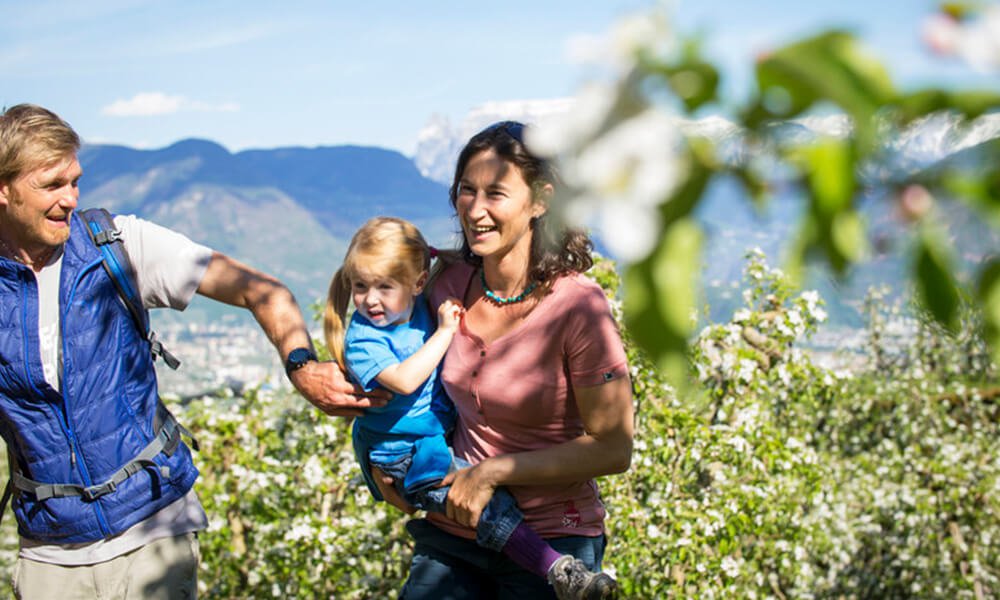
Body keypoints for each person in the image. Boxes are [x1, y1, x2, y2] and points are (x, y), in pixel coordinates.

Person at [0, 103, 386, 599]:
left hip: (152, 527)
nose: (71, 199)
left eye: (75, 181)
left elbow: (260, 290)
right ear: (5, 190)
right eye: (51, 185)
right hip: (50, 550)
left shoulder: (117, 245)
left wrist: (301, 366)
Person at [372, 121, 634, 599]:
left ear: (540, 201)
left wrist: (491, 472)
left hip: (553, 543)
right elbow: (391, 368)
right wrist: (378, 465)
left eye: (495, 193)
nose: (475, 210)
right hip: (452, 532)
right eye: (466, 191)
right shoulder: (446, 284)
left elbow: (614, 448)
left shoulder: (578, 307)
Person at [324, 217, 617, 600]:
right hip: (406, 455)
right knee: (486, 506)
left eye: (383, 286)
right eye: (359, 287)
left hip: (431, 448)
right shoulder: (365, 337)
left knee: (487, 505)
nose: (370, 299)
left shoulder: (416, 308)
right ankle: (557, 569)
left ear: (417, 283)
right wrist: (446, 331)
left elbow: (430, 258)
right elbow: (405, 380)